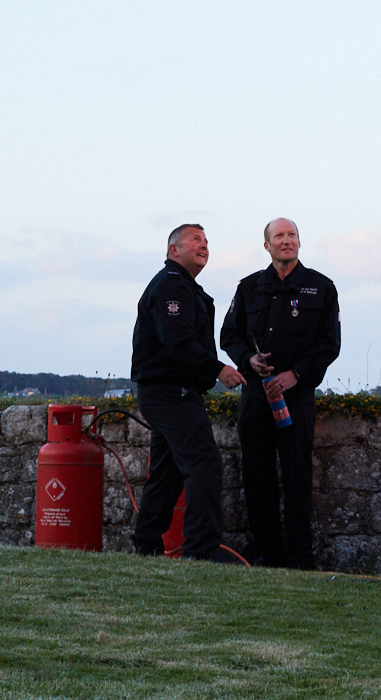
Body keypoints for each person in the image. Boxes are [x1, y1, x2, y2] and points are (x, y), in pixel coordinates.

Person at [220, 218, 341, 569]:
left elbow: (329, 345)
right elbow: (229, 336)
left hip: (297, 397)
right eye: (279, 236)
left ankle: (301, 557)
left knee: (298, 476)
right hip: (257, 397)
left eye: (292, 236)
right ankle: (266, 554)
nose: (286, 241)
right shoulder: (249, 288)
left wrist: (295, 374)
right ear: (267, 245)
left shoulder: (321, 287)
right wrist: (249, 360)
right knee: (257, 477)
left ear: (299, 243)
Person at [130, 223, 246, 561]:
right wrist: (218, 369)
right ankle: (202, 550)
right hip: (170, 392)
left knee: (167, 473)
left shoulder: (183, 287)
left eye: (206, 241)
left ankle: (147, 545)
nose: (204, 245)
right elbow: (178, 342)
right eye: (195, 240)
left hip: (169, 391)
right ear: (174, 250)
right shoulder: (171, 286)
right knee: (204, 463)